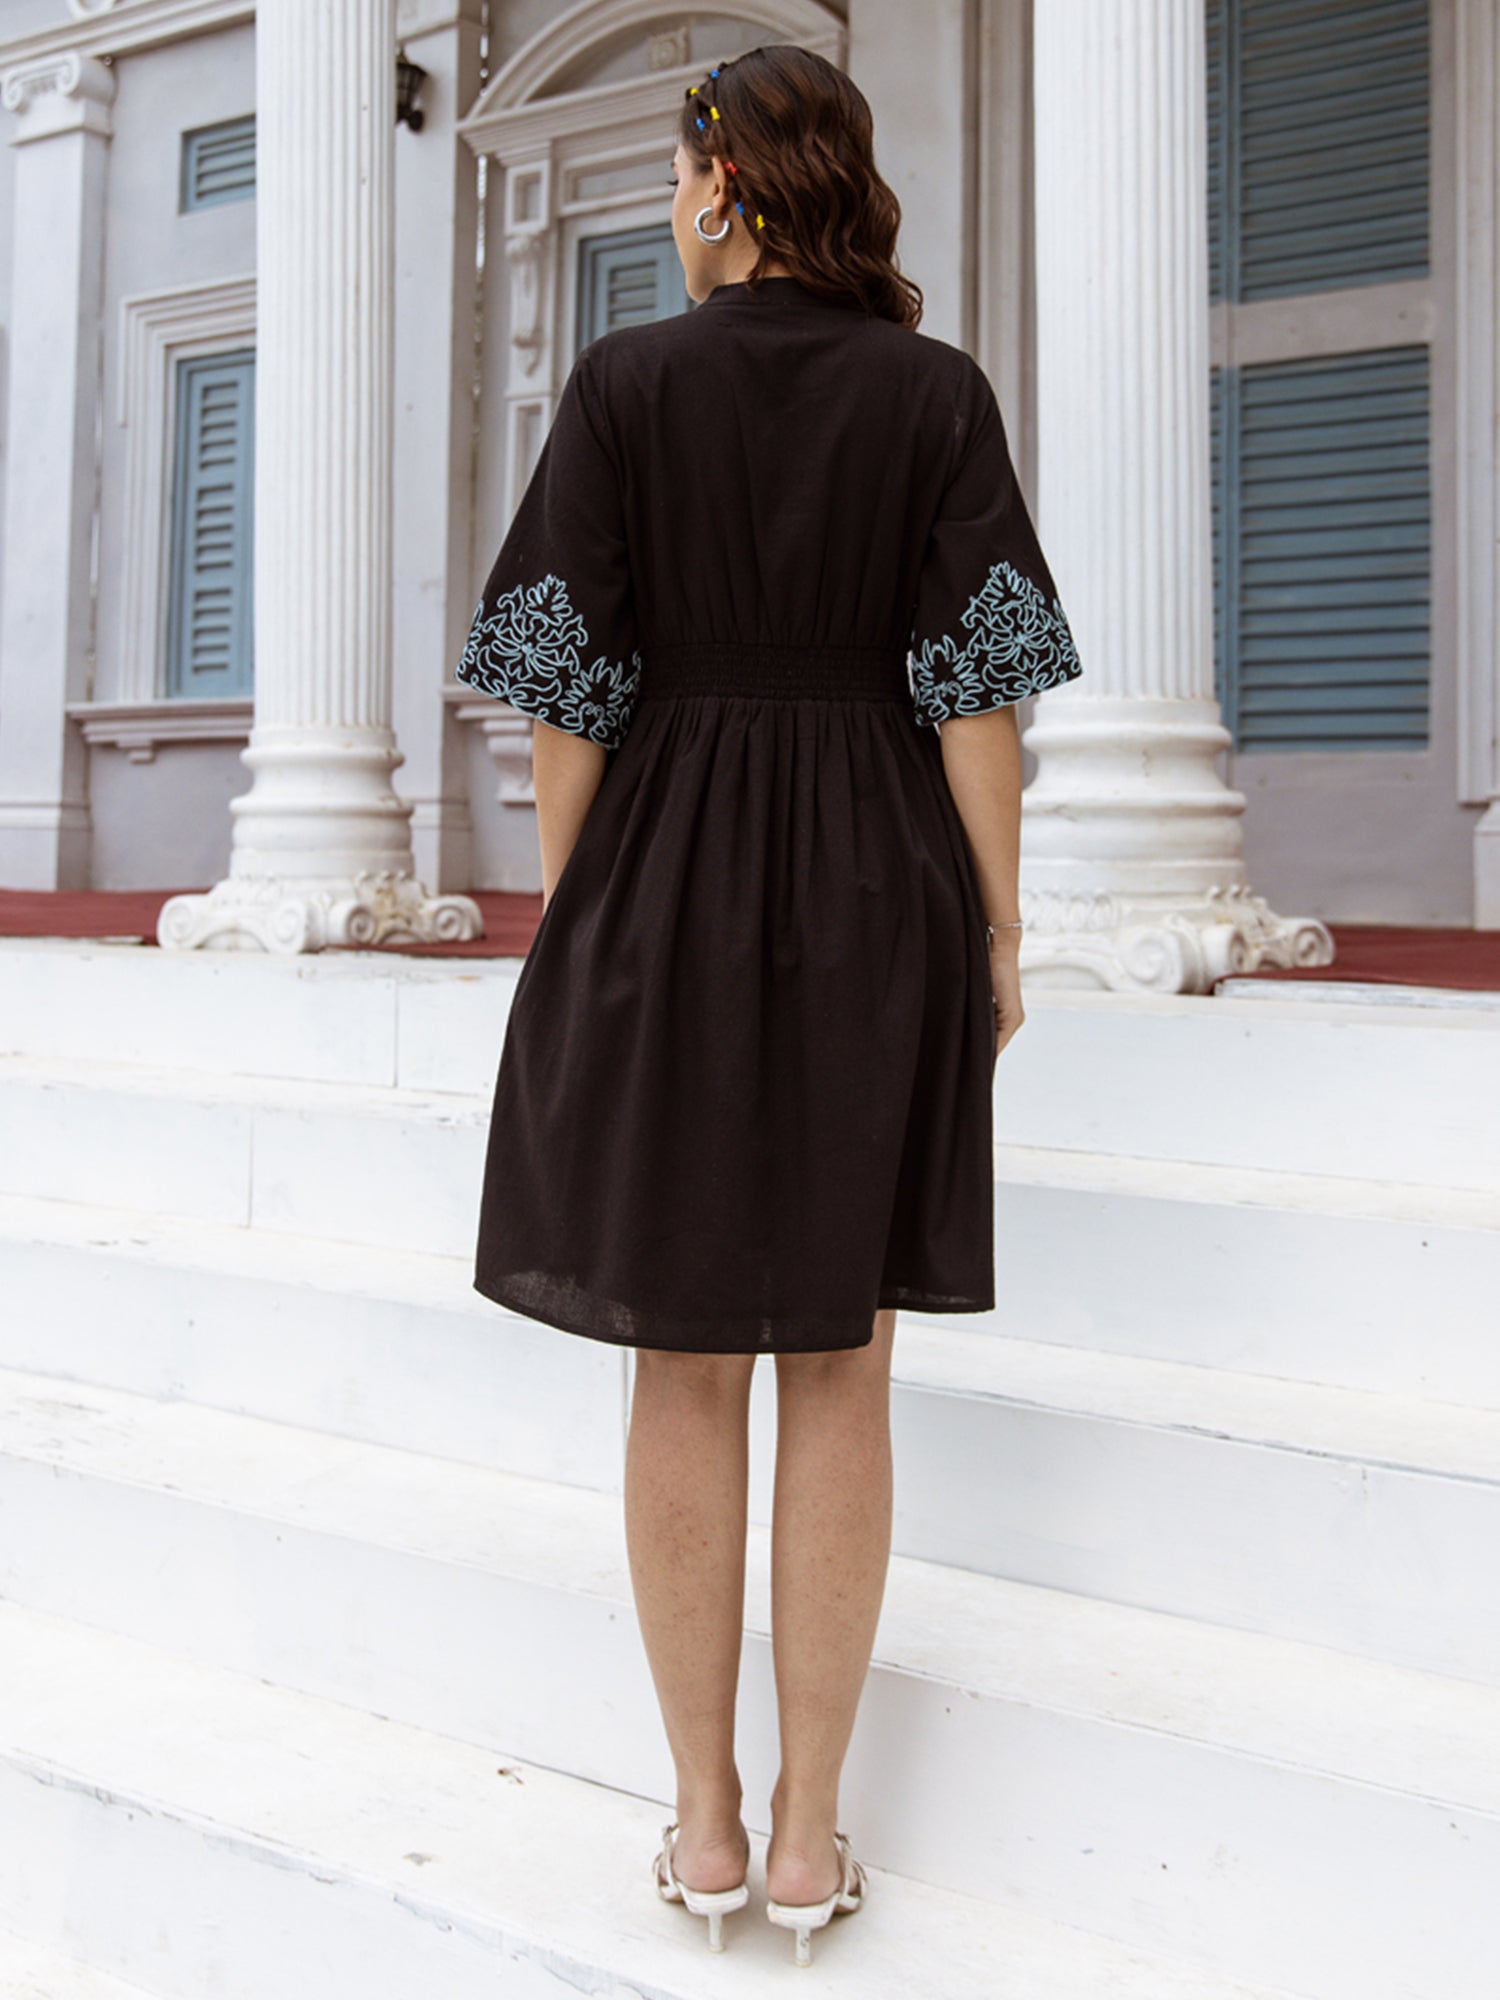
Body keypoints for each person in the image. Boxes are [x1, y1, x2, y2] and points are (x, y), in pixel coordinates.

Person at [454, 43, 1082, 1967]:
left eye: (676, 172)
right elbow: (982, 705)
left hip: (665, 872)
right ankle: (812, 1838)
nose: (668, 201)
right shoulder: (937, 393)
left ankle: (706, 1823)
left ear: (723, 184)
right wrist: (991, 932)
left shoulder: (632, 383)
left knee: (682, 1356)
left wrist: (585, 921)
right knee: (844, 1356)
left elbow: (563, 692)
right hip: (878, 877)